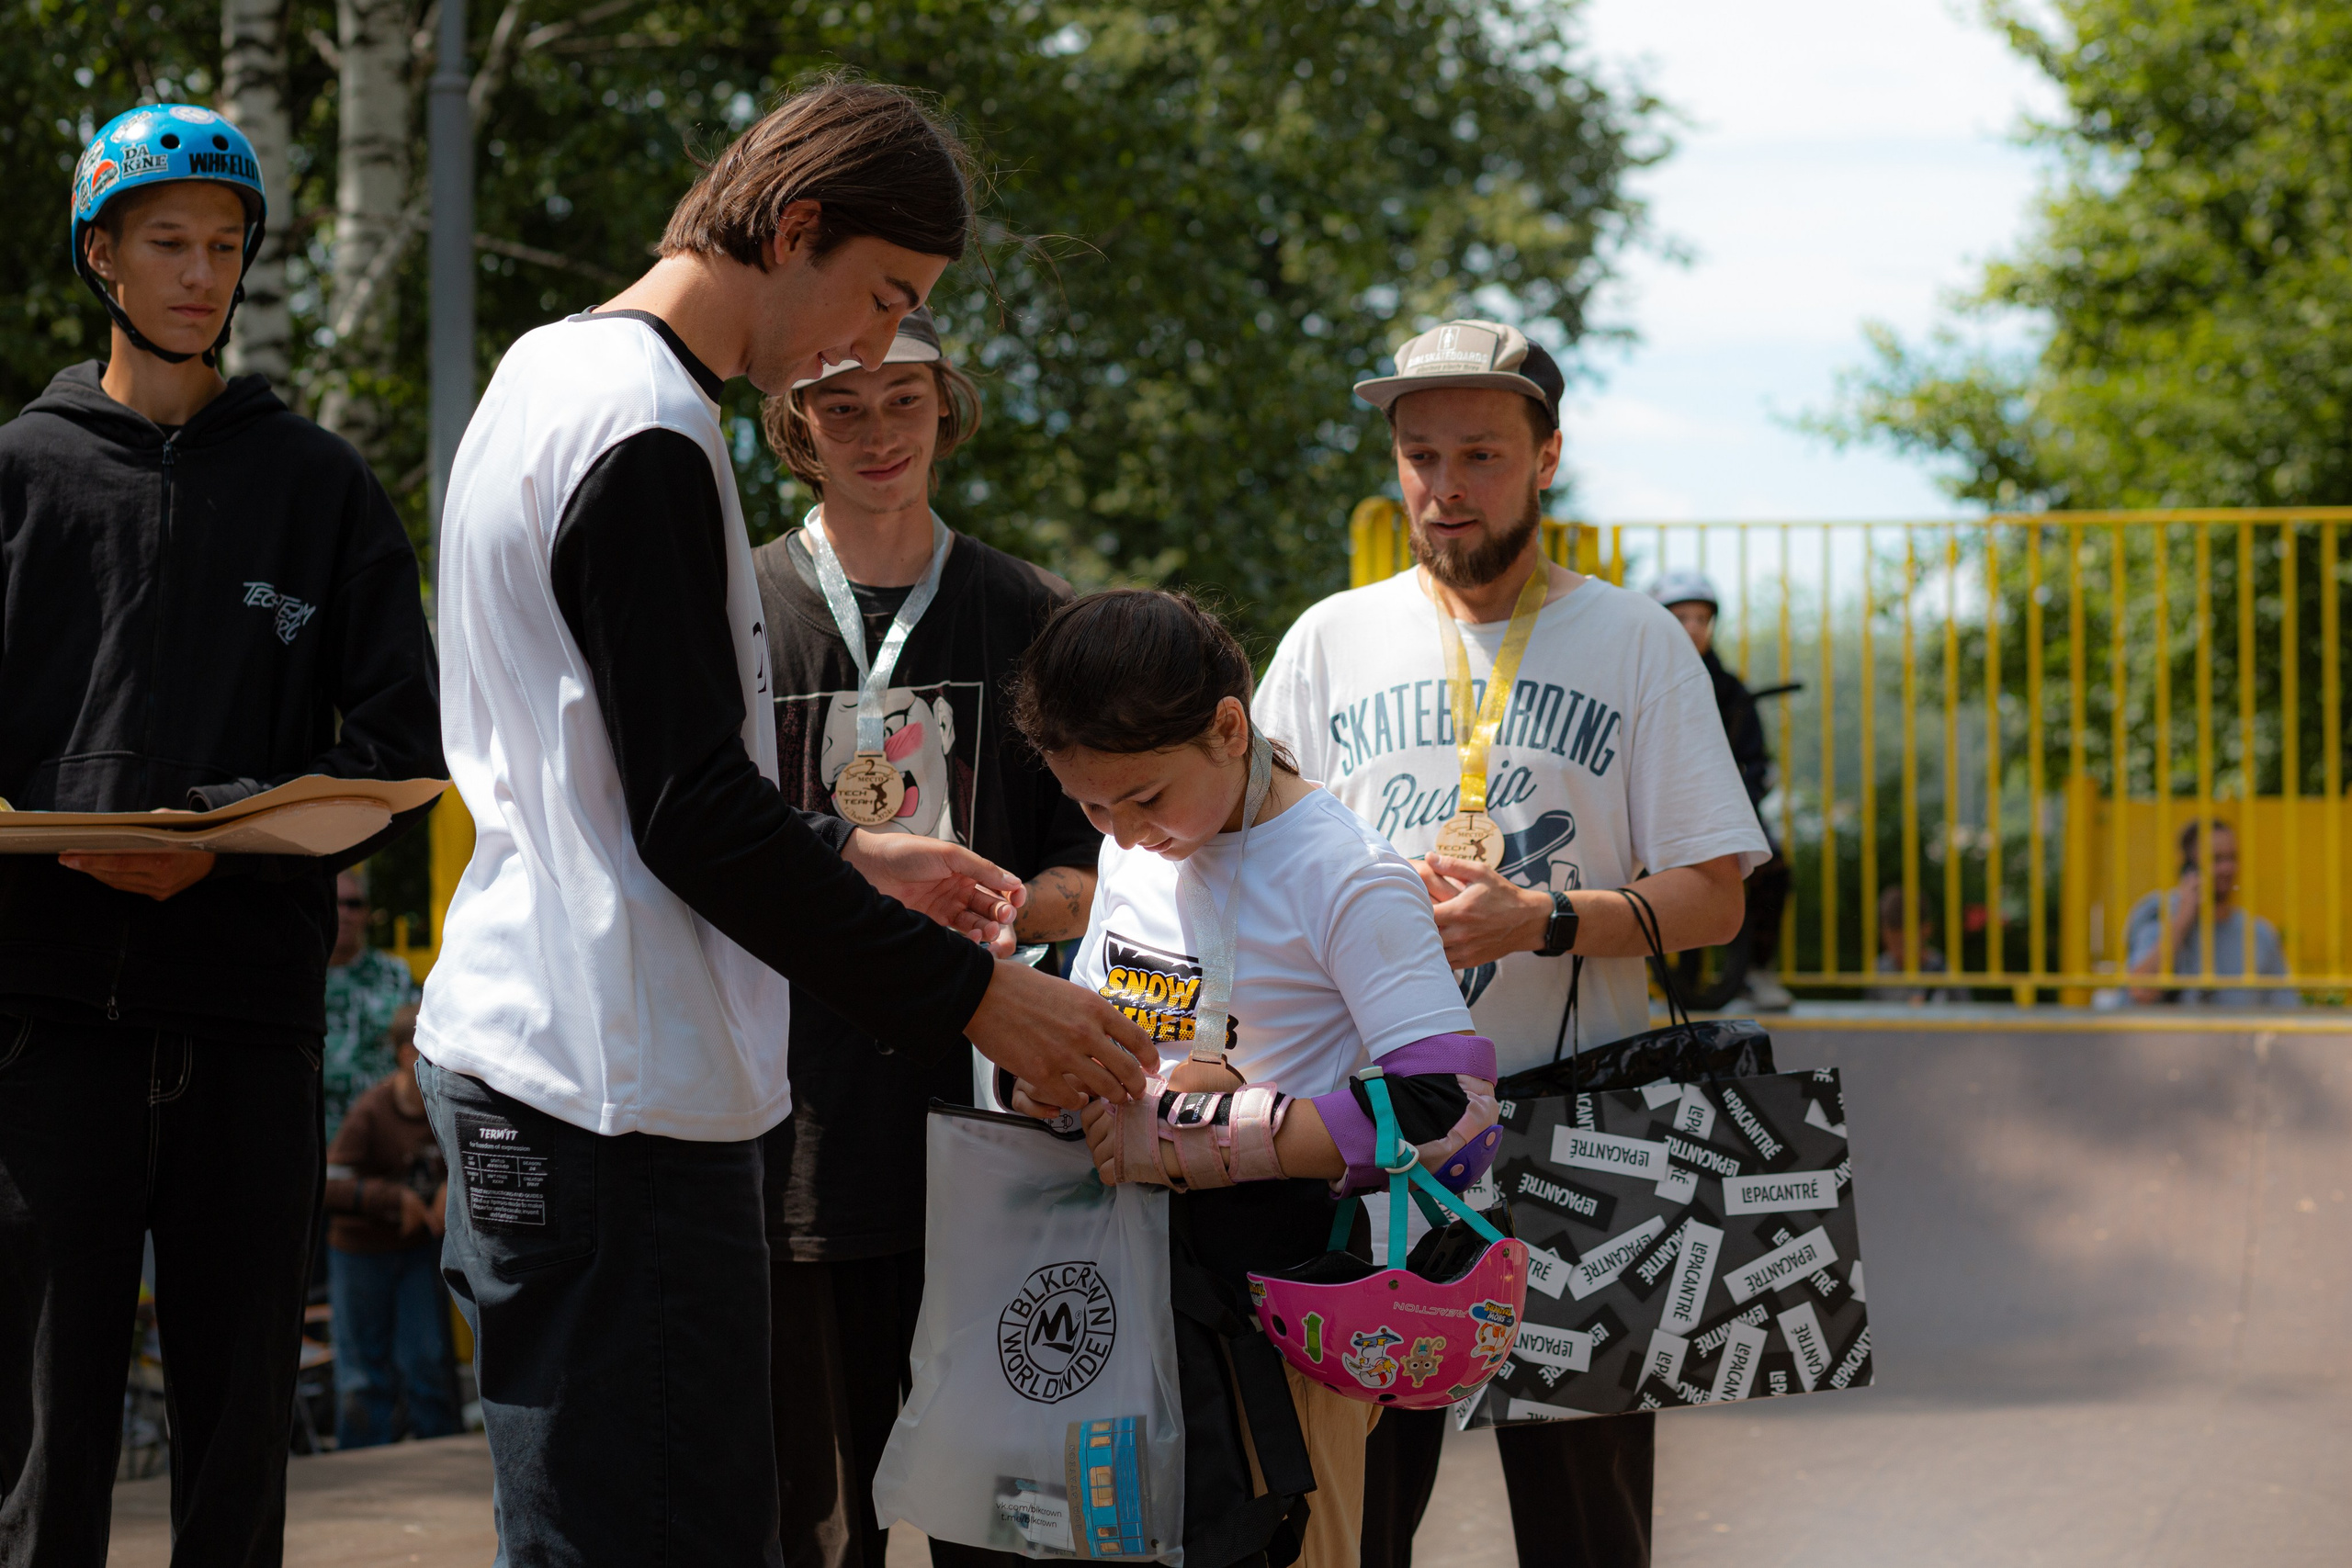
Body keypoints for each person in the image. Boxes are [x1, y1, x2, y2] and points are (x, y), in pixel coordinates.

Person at [414, 77, 1154, 1565]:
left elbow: (617, 781)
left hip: (557, 1062)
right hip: (616, 1098)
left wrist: (851, 849)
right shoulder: (650, 434)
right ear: (795, 226)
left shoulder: (547, 377)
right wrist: (975, 996)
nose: (878, 347)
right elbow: (689, 815)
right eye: (883, 295)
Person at [0, 105, 443, 1565]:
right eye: (170, 242)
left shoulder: (317, 488)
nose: (202, 272)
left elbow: (397, 746)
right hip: (44, 1024)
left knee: (238, 1441)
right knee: (42, 1444)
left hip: (250, 1029)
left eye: (228, 245)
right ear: (102, 255)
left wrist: (226, 842)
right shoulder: (20, 473)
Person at [1252, 317, 1768, 1568]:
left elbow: (1715, 899)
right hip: (1374, 1134)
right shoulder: (1330, 637)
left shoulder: (1637, 639)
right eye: (1420, 455)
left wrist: (1535, 916)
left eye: (1481, 452)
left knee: (1589, 1527)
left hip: (1583, 1128)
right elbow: (1250, 864)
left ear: (1546, 457)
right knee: (1351, 1519)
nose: (1446, 486)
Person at [1007, 589, 1505, 1568]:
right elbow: (1101, 1031)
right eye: (1089, 807)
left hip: (1295, 1320)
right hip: (1127, 1295)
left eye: (1142, 798)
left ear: (1228, 728)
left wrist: (1207, 1137)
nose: (1118, 832)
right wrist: (1039, 1081)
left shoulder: (1345, 873)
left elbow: (1452, 1112)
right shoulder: (1135, 850)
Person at [750, 307, 1098, 1568]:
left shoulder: (1030, 610)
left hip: (990, 1145)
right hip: (793, 1142)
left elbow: (1099, 856)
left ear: (949, 404)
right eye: (843, 404)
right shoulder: (740, 603)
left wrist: (1012, 900)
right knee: (816, 1525)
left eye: (906, 397)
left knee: (998, 1531)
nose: (879, 430)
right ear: (796, 423)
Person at [1650, 571, 1792, 1010]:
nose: (1693, 628)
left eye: (1702, 618)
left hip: (1723, 814)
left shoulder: (1732, 690)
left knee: (1773, 870)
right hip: (1654, 815)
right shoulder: (1642, 682)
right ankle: (1628, 969)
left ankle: (1756, 971)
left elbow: (1758, 763)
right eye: (1681, 618)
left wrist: (1734, 807)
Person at [322, 1006, 458, 1450]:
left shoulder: (450, 1108)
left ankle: (443, 1461)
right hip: (360, 1252)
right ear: (406, 1055)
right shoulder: (373, 1111)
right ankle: (363, 1470)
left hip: (419, 1251)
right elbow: (329, 1183)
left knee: (428, 1360)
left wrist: (450, 1187)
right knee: (362, 1373)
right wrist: (392, 1199)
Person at [2125, 820, 2296, 1007]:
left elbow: (2287, 1009)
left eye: (2232, 858)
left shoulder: (2259, 935)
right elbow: (2141, 991)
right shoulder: (2159, 915)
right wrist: (2182, 921)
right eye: (2216, 859)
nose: (2227, 868)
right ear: (2190, 869)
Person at [322, 867, 420, 1145]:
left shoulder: (394, 974)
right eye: (334, 902)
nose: (344, 912)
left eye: (353, 904)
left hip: (382, 1137)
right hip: (311, 1132)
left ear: (367, 912)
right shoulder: (295, 978)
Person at [1863, 884, 1964, 1005]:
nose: (1898, 952)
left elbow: (1965, 1016)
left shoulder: (1945, 972)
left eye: (1903, 944)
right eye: (1892, 943)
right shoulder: (1878, 969)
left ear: (1926, 929)